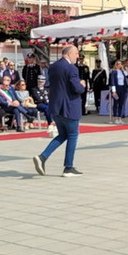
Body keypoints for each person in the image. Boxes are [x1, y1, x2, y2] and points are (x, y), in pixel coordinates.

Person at [32, 45, 86, 178]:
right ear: (68, 54)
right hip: (69, 107)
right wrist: (82, 85)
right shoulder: (71, 68)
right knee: (72, 135)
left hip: (56, 107)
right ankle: (68, 167)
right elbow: (77, 88)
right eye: (76, 53)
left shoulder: (53, 66)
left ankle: (43, 157)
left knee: (62, 135)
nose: (77, 56)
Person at [108, 60, 128, 124]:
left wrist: (123, 69)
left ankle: (120, 117)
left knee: (121, 104)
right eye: (118, 64)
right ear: (116, 65)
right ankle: (115, 118)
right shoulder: (114, 72)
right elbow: (113, 81)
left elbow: (127, 75)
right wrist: (114, 91)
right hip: (117, 88)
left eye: (121, 64)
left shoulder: (122, 72)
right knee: (116, 103)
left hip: (122, 88)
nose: (120, 65)